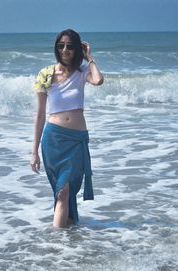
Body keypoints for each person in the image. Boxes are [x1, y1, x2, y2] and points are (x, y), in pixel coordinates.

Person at [30, 29, 103, 228]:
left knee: (66, 191)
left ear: (77, 48)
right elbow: (39, 116)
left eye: (70, 46)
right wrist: (34, 152)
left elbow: (98, 80)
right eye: (61, 45)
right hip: (54, 140)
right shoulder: (45, 74)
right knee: (62, 192)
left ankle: (64, 242)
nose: (65, 49)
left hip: (76, 141)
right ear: (56, 48)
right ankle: (60, 246)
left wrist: (90, 58)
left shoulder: (82, 71)